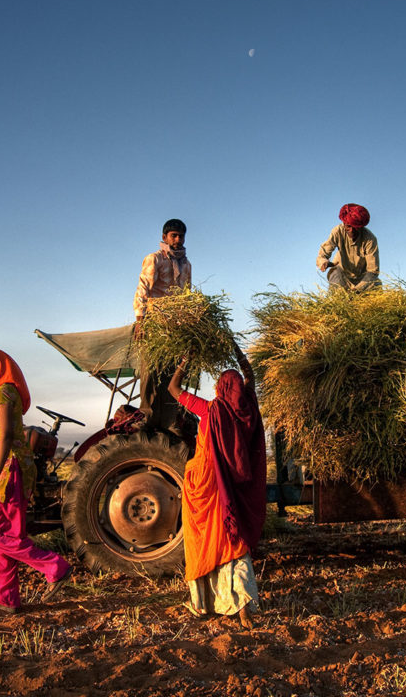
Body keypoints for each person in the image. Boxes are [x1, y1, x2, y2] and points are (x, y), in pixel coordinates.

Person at [168, 342, 266, 628]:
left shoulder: (211, 409)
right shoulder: (248, 407)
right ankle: (244, 604)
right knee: (233, 540)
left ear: (221, 389)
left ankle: (204, 603)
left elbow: (174, 389)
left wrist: (187, 356)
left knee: (204, 539)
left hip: (206, 485)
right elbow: (251, 378)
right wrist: (237, 352)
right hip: (233, 487)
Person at [0, 348, 72, 615]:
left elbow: (5, 437)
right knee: (4, 537)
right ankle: (5, 599)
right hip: (8, 466)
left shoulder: (4, 391)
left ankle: (54, 566)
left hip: (12, 469)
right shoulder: (1, 391)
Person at [133, 218, 192, 431]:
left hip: (174, 327)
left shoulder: (186, 264)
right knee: (150, 370)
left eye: (181, 236)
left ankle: (168, 421)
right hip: (154, 323)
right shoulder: (155, 259)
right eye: (173, 236)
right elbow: (143, 289)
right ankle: (146, 417)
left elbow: (186, 296)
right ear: (164, 238)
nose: (177, 239)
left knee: (171, 372)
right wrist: (141, 320)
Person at [316, 203, 381, 292]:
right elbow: (323, 253)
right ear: (344, 223)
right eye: (348, 226)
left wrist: (358, 289)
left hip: (363, 278)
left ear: (361, 226)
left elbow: (373, 271)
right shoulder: (337, 232)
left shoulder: (370, 239)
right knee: (335, 275)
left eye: (355, 227)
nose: (351, 231)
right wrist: (323, 262)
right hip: (342, 275)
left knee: (376, 284)